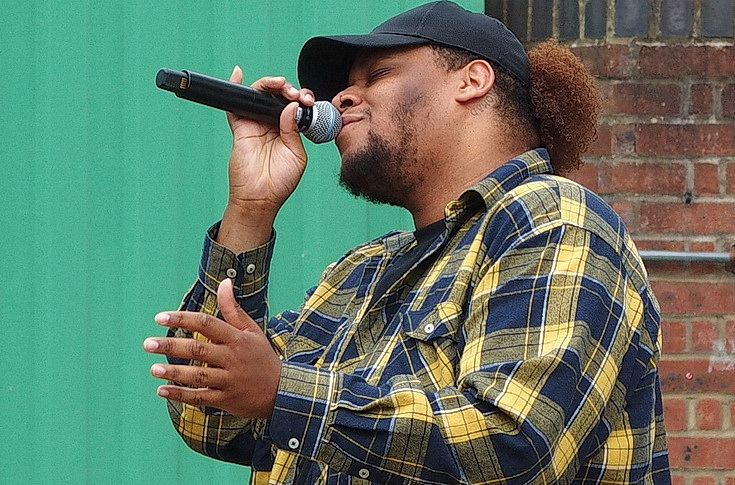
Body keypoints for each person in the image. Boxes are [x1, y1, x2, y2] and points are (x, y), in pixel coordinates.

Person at [144, 2, 671, 483]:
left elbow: (513, 445)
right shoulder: (362, 270)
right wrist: (251, 209)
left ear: (472, 80)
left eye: (378, 74)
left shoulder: (554, 218)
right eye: (345, 87)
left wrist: (284, 391)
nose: (342, 97)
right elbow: (210, 418)